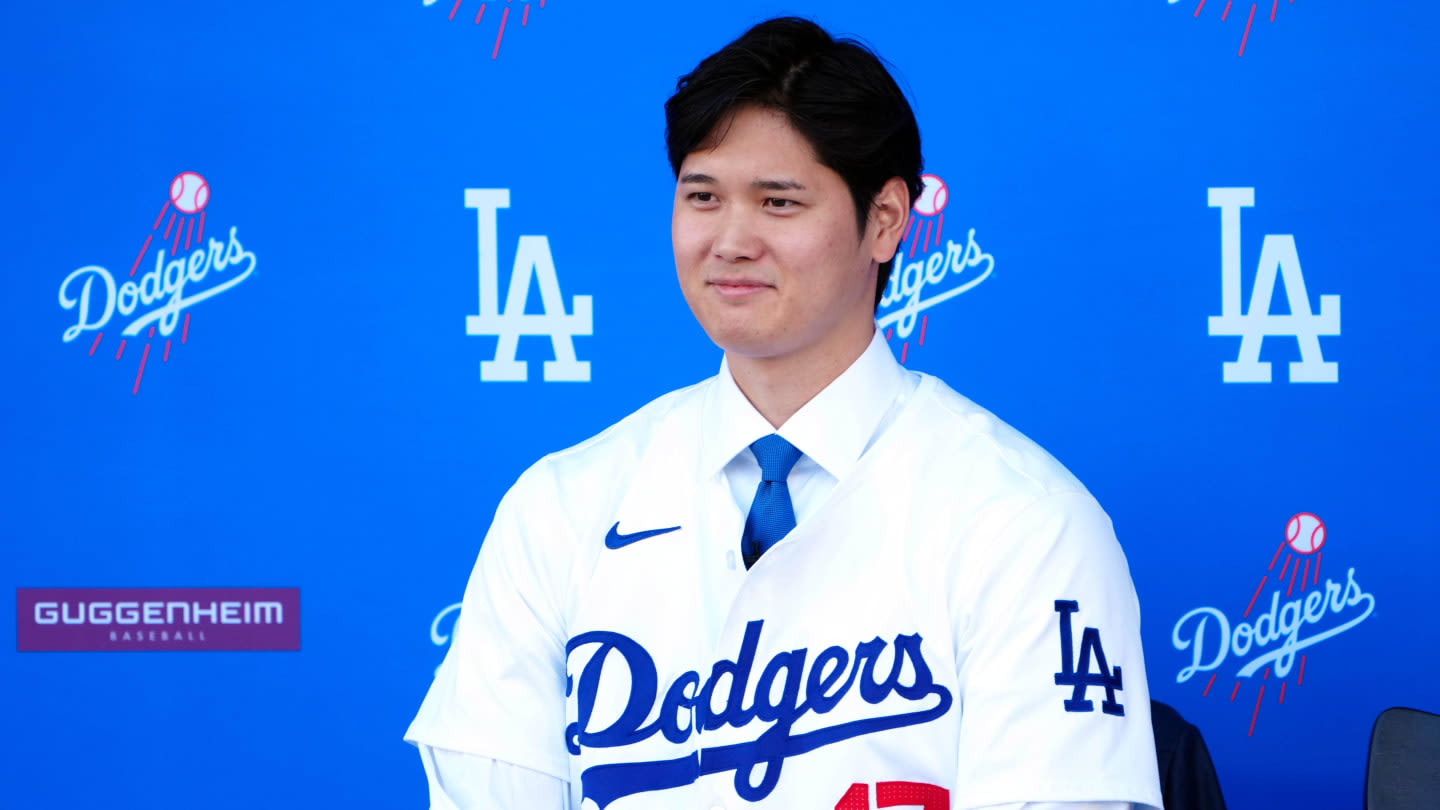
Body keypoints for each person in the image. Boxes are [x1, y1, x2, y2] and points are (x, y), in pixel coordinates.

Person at [405, 16, 1163, 810]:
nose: (731, 240)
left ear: (886, 220)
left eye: (778, 202)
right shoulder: (560, 509)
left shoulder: (1024, 521)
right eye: (703, 197)